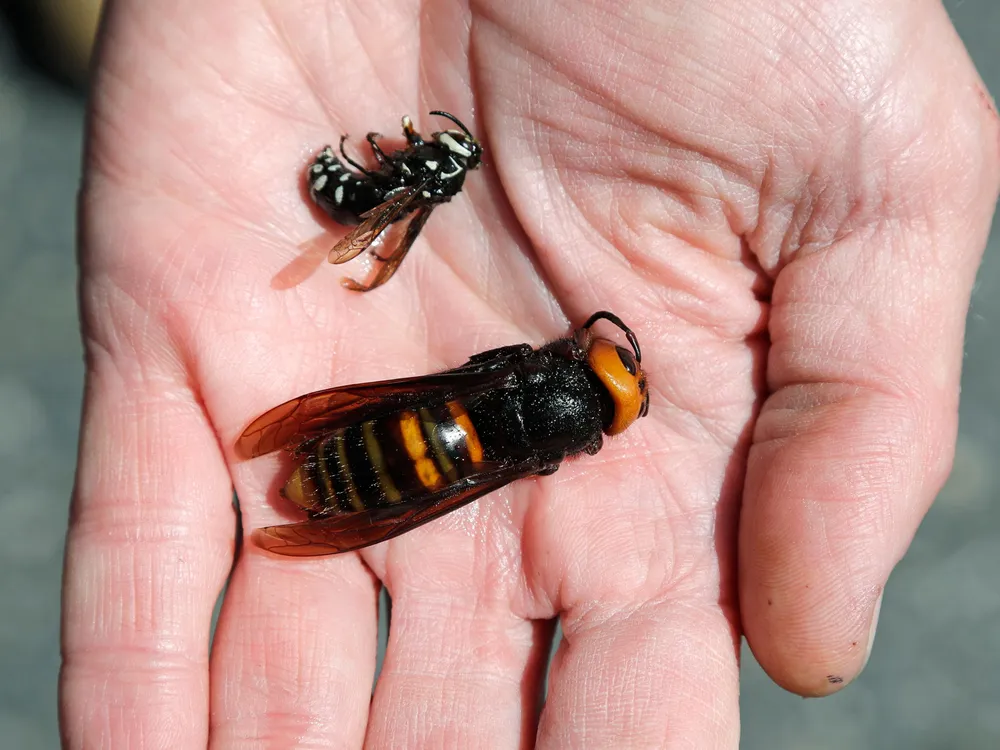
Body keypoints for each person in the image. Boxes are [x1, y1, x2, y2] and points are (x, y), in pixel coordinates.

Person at [60, 0, 999, 746]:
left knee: (420, 430)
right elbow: (508, 436)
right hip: (425, 461)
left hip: (405, 424)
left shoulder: (531, 372)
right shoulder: (555, 443)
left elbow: (465, 381)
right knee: (431, 469)